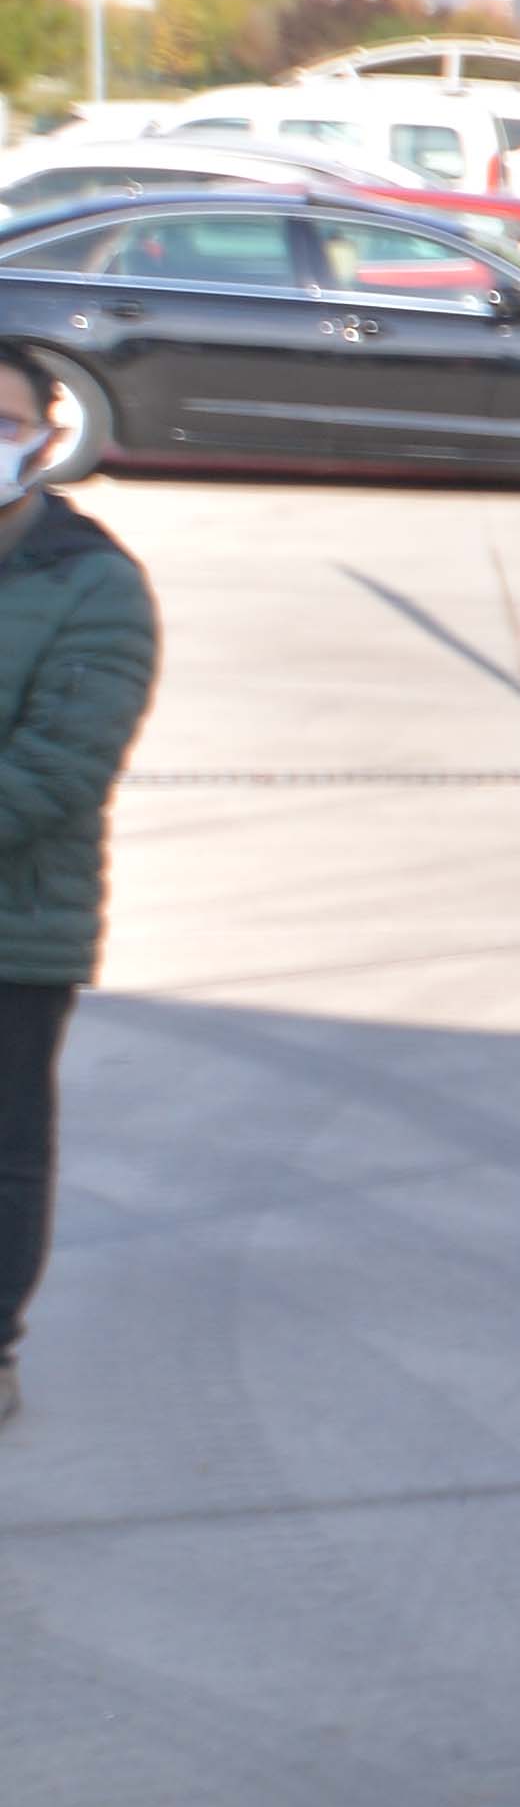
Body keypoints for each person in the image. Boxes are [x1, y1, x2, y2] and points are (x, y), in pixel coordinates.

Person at [0, 345, 153, 1430]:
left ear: (46, 440)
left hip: (15, 925)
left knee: (3, 1153)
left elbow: (56, 771)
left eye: (3, 420)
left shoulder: (93, 582)